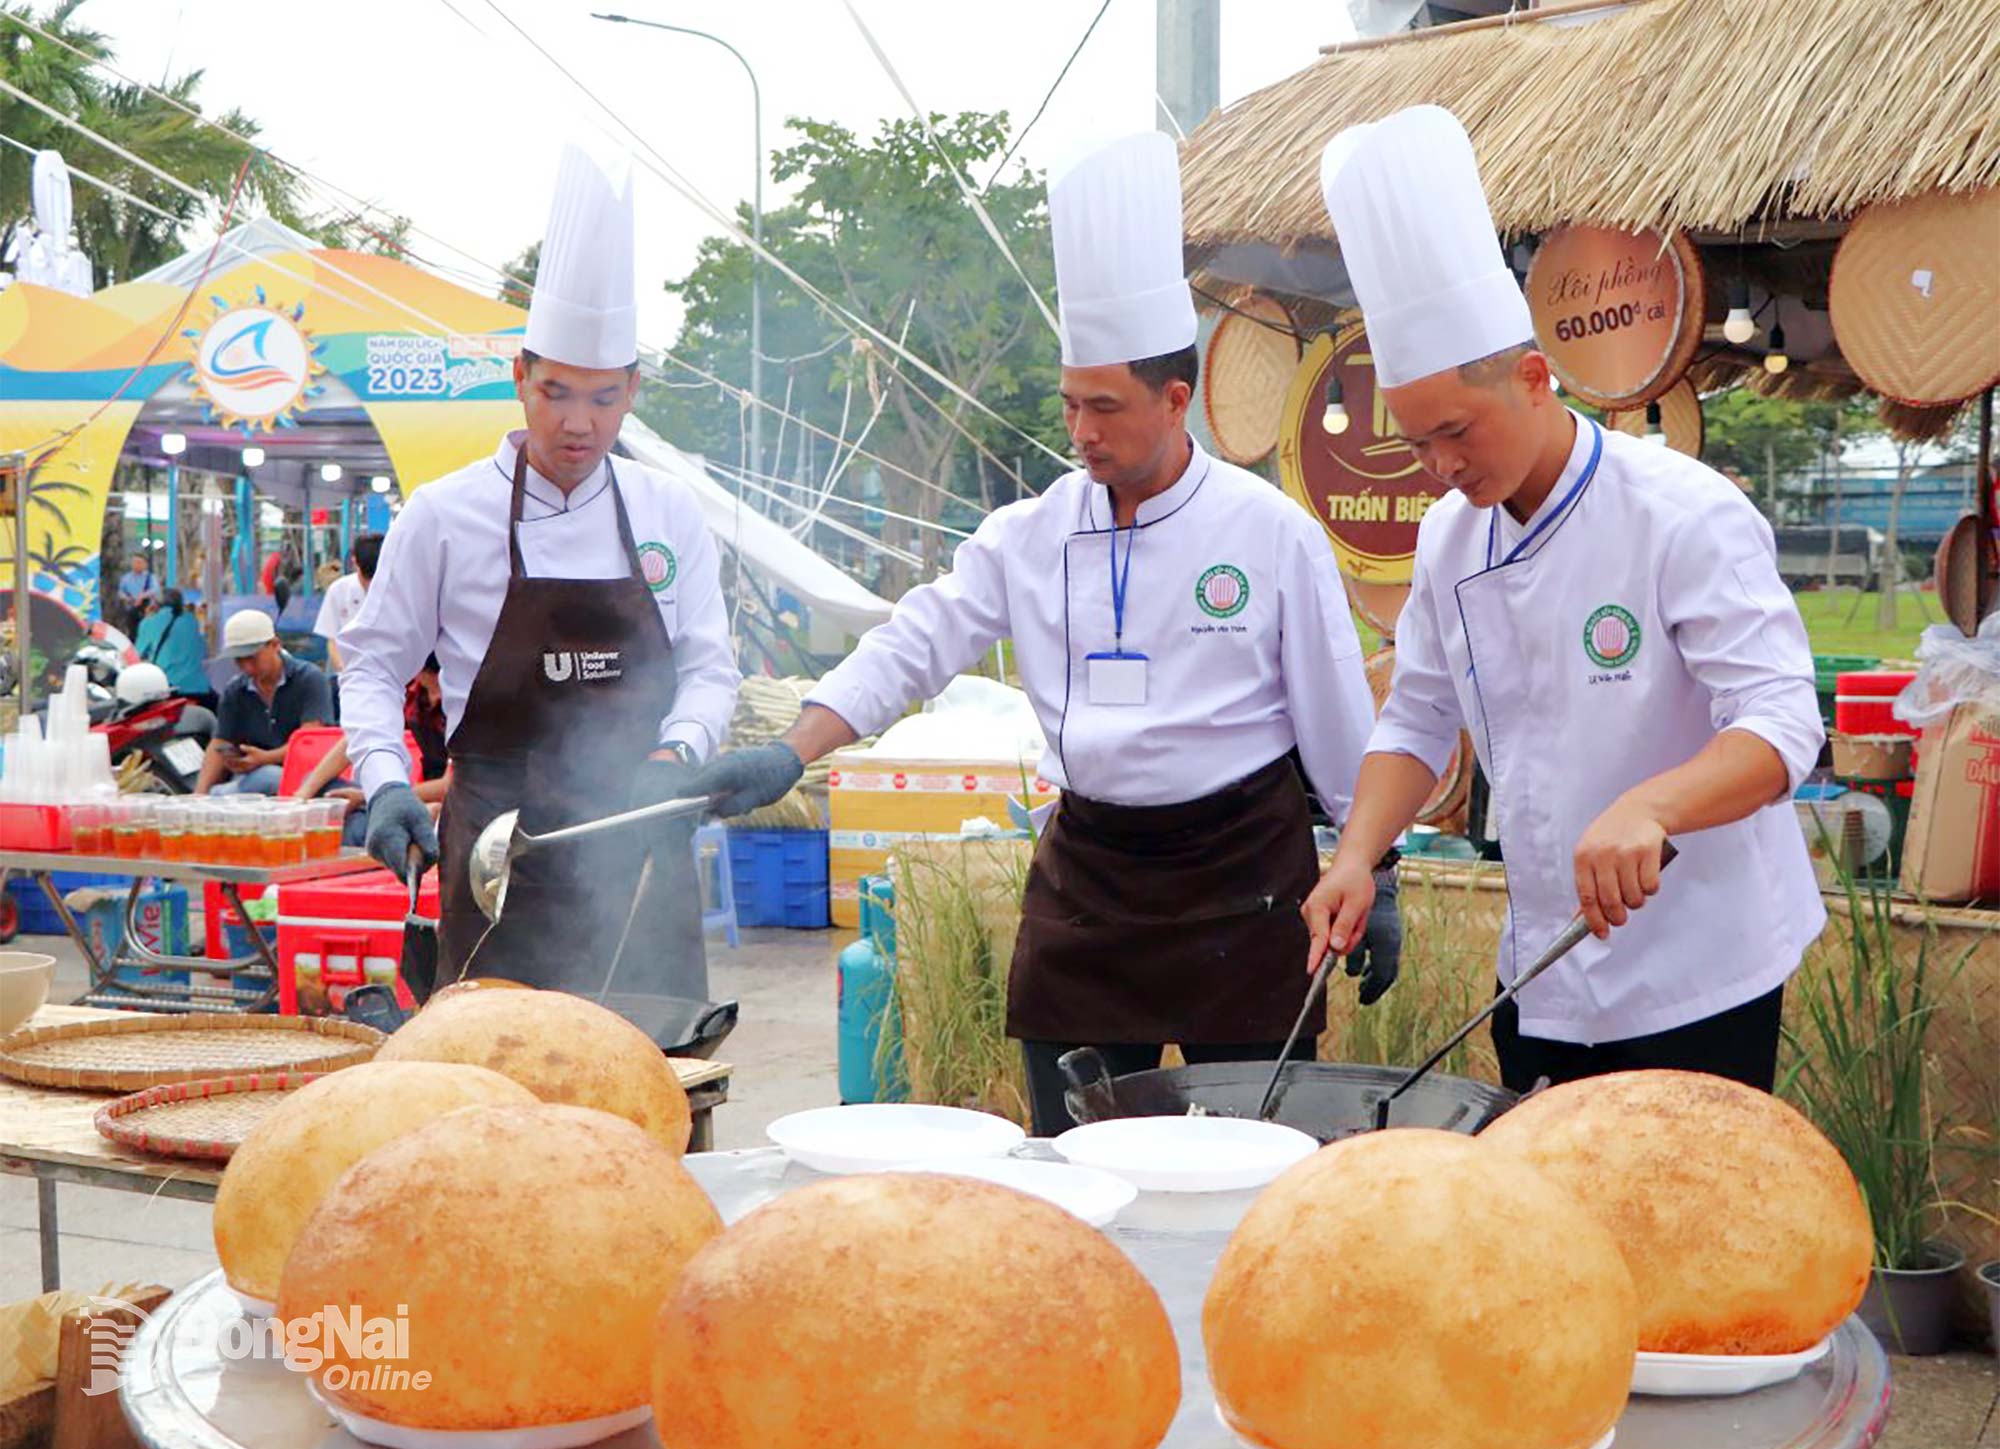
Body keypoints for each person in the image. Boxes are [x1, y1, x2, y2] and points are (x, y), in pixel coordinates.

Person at [670, 133, 1391, 1135]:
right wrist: (792, 749)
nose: (1080, 430)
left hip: (1243, 879)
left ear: (1174, 401)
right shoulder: (1030, 532)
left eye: (1104, 407)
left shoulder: (1270, 534)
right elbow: (915, 645)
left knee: (1251, 1159)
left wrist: (1373, 865)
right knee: (1071, 1154)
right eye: (1069, 404)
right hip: (1091, 874)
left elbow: (1335, 713)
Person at [1304, 106, 1824, 1094]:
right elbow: (1417, 719)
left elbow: (1780, 724)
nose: (1438, 465)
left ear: (1534, 378)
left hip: (1699, 972)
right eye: (1415, 442)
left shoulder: (1680, 514)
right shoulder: (1450, 538)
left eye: (1456, 431)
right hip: (1542, 969)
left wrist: (1651, 804)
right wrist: (1356, 854)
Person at [337, 141, 738, 1003]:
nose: (579, 424)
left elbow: (710, 668)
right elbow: (371, 664)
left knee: (652, 1058)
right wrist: (385, 781)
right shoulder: (444, 514)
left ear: (632, 390)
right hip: (496, 854)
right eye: (557, 392)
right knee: (492, 1061)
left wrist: (676, 750)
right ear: (520, 378)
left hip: (637, 840)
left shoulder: (668, 511)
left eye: (602, 398)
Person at [295, 656, 449, 846]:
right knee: (321, 788)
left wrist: (369, 797)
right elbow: (359, 736)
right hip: (412, 794)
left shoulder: (462, 698)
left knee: (357, 828)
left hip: (450, 800)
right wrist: (302, 795)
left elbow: (449, 784)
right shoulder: (410, 691)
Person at [196, 609, 334, 796]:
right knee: (228, 790)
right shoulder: (235, 690)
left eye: (252, 658)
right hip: (251, 778)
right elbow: (220, 741)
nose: (247, 667)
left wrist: (265, 758)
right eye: (239, 660)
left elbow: (310, 741)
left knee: (268, 777)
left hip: (304, 775)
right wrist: (199, 796)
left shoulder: (309, 679)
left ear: (275, 645)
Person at [135, 588, 216, 709]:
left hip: (168, 690)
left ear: (155, 605)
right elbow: (203, 651)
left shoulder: (149, 622)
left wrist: (147, 618)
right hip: (199, 690)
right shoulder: (192, 620)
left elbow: (136, 655)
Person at [314, 533, 382, 673]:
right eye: (367, 577)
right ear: (354, 561)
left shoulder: (396, 591)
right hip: (347, 671)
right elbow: (332, 639)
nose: (370, 584)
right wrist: (344, 670)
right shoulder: (338, 590)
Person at [116, 554, 161, 626]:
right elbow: (120, 592)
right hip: (132, 610)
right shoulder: (126, 578)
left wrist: (143, 596)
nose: (136, 565)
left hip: (147, 610)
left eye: (139, 562)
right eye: (134, 562)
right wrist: (127, 598)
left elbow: (156, 589)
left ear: (145, 564)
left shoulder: (150, 577)